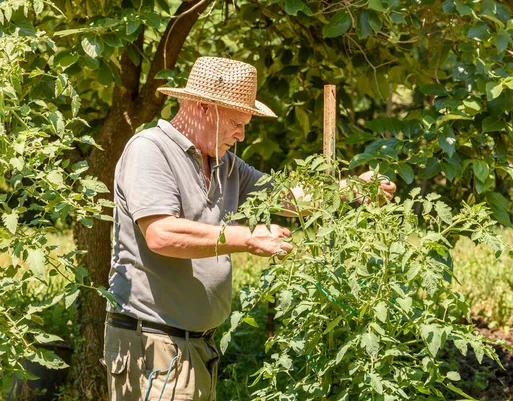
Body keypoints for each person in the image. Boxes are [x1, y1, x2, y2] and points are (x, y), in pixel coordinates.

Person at [102, 56, 396, 401]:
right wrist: (245, 238)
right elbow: (162, 234)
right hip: (153, 345)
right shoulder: (151, 150)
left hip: (196, 346)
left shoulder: (225, 164)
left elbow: (287, 198)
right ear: (201, 107)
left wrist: (352, 190)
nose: (241, 133)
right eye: (236, 122)